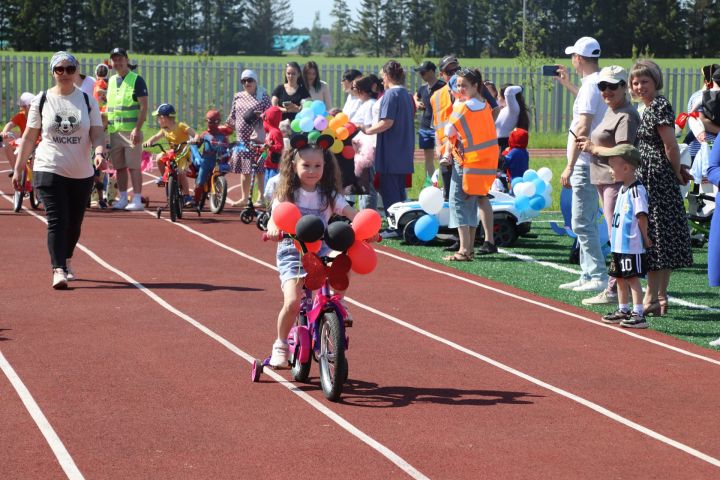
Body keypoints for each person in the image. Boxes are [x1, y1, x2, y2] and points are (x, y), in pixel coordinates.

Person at [12, 51, 105, 289]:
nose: (64, 74)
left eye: (70, 69)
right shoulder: (42, 100)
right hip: (48, 166)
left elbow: (96, 131)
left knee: (74, 223)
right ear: (53, 72)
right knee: (57, 219)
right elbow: (30, 135)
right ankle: (58, 269)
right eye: (59, 69)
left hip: (81, 171)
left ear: (76, 72)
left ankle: (66, 259)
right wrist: (20, 167)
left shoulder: (87, 100)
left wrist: (99, 152)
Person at [264, 145, 359, 367]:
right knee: (293, 302)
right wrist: (273, 228)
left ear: (325, 167)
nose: (312, 170)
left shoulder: (328, 195)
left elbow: (349, 211)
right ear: (293, 166)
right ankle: (280, 344)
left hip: (321, 249)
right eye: (306, 165)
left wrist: (363, 224)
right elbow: (276, 216)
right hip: (292, 250)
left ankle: (339, 301)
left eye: (318, 165)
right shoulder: (288, 193)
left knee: (342, 261)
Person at [630, 59, 693, 316]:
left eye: (645, 81)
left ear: (655, 82)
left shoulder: (658, 105)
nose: (640, 86)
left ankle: (652, 298)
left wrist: (676, 171)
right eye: (635, 82)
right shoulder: (644, 107)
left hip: (656, 179)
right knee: (660, 238)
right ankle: (659, 298)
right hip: (648, 175)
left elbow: (670, 145)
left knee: (655, 238)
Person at [575, 65, 641, 306]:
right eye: (602, 86)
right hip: (604, 178)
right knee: (615, 237)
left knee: (618, 238)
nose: (606, 90)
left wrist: (594, 148)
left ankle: (615, 288)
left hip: (615, 179)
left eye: (613, 86)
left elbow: (626, 150)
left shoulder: (625, 114)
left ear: (624, 87)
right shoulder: (612, 111)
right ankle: (617, 287)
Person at [555, 36, 609, 293]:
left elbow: (583, 125)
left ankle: (597, 273)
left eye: (572, 56)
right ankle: (589, 273)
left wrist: (570, 164)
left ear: (578, 58)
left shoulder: (590, 85)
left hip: (585, 162)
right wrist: (568, 86)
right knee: (586, 219)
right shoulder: (596, 82)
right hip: (592, 160)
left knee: (581, 222)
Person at [441, 67, 499, 261]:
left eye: (464, 85)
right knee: (472, 203)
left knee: (458, 203)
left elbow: (449, 130)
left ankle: (464, 250)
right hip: (484, 162)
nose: (460, 88)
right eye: (458, 85)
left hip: (465, 160)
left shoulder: (461, 106)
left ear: (475, 86)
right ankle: (469, 248)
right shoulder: (484, 105)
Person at [597, 145, 651, 329]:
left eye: (613, 167)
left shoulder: (637, 190)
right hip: (618, 245)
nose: (610, 172)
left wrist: (646, 238)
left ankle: (639, 313)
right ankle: (623, 309)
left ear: (626, 168)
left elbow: (641, 216)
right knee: (619, 277)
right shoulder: (622, 189)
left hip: (631, 244)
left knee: (632, 278)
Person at [363, 60, 415, 215]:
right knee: (399, 191)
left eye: (382, 76)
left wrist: (368, 130)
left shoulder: (391, 94)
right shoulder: (406, 94)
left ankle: (394, 225)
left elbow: (387, 122)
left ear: (387, 75)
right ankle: (400, 224)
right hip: (403, 150)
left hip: (391, 151)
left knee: (390, 191)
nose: (382, 80)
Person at [106, 47, 148, 211]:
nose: (117, 62)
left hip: (131, 131)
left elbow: (144, 107)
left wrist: (137, 129)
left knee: (134, 166)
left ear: (126, 59)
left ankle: (137, 199)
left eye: (120, 59)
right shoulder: (110, 81)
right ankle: (123, 197)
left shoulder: (136, 79)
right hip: (114, 131)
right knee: (119, 167)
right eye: (114, 59)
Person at [227, 69, 272, 206]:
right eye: (244, 81)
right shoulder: (238, 96)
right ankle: (244, 198)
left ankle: (261, 198)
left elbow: (270, 115)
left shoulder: (263, 96)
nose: (247, 83)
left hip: (258, 138)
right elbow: (233, 115)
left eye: (250, 80)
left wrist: (262, 117)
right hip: (242, 139)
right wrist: (227, 126)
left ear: (255, 81)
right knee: (245, 170)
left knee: (260, 169)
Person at [143, 103, 200, 207]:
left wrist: (195, 139)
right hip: (173, 153)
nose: (157, 120)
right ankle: (164, 177)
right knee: (159, 157)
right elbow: (156, 137)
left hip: (184, 153)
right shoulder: (164, 130)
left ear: (163, 118)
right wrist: (149, 141)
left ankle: (187, 196)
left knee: (181, 172)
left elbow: (195, 134)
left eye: (158, 118)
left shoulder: (181, 126)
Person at [192, 109, 232, 204]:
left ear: (218, 122)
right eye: (210, 122)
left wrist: (227, 152)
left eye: (215, 122)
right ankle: (195, 201)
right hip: (206, 161)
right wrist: (195, 144)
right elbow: (196, 145)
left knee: (223, 171)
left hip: (218, 161)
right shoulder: (205, 134)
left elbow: (228, 148)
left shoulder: (223, 136)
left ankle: (216, 187)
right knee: (200, 182)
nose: (212, 124)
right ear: (207, 122)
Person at [414, 61, 446, 180]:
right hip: (425, 127)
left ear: (432, 72)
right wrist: (417, 103)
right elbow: (415, 96)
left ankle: (445, 185)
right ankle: (431, 184)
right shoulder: (423, 88)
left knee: (442, 157)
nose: (421, 75)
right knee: (428, 158)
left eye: (423, 72)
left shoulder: (443, 86)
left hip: (439, 127)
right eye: (420, 73)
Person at [1, 92, 35, 175]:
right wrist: (4, 131)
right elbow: (10, 124)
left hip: (38, 143)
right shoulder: (21, 116)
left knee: (34, 163)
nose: (21, 108)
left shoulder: (39, 116)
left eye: (23, 106)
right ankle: (15, 170)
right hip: (24, 141)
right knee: (7, 145)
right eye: (21, 106)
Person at [495, 84, 530, 151]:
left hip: (505, 146)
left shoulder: (512, 109)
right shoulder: (502, 110)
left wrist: (521, 88)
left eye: (499, 96)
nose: (497, 98)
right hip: (496, 145)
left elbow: (509, 91)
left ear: (504, 97)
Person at [262, 105, 284, 182]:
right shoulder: (269, 132)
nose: (264, 119)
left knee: (272, 189)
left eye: (266, 116)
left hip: (274, 166)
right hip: (267, 164)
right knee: (267, 190)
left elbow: (280, 146)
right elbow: (267, 146)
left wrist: (270, 147)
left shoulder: (275, 132)